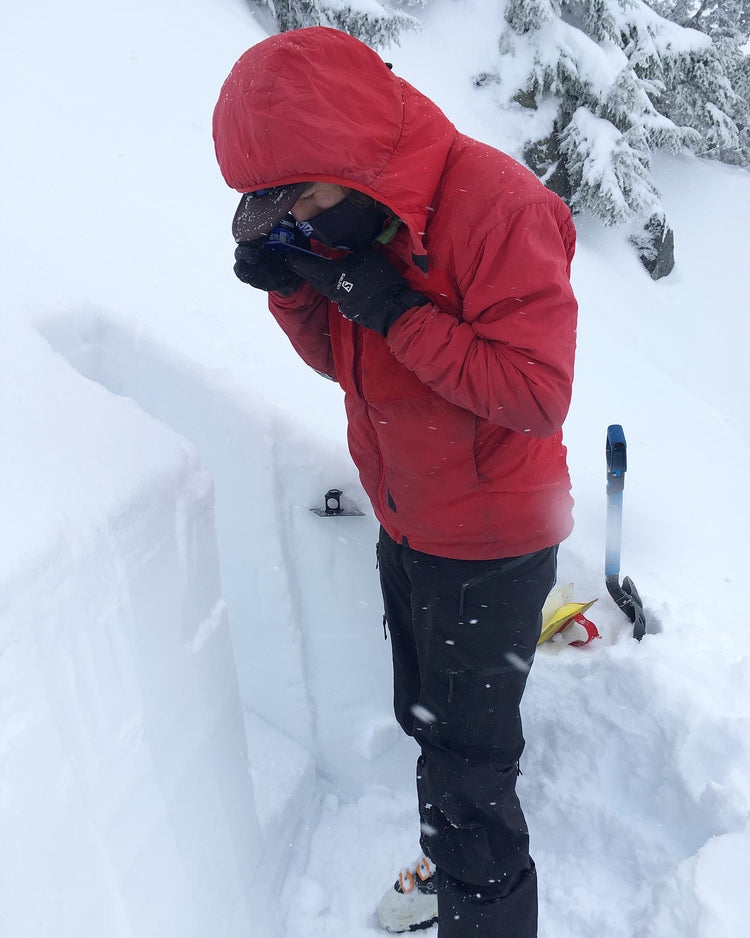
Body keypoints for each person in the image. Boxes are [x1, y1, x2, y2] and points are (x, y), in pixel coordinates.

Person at [213, 26, 577, 938]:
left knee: (469, 770)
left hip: (492, 540)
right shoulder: (357, 221)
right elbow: (351, 369)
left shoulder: (495, 206)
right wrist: (298, 288)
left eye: (295, 194)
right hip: (411, 523)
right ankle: (446, 864)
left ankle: (482, 911)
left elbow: (536, 392)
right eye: (269, 202)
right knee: (429, 727)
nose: (288, 211)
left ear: (347, 148)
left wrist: (391, 306)